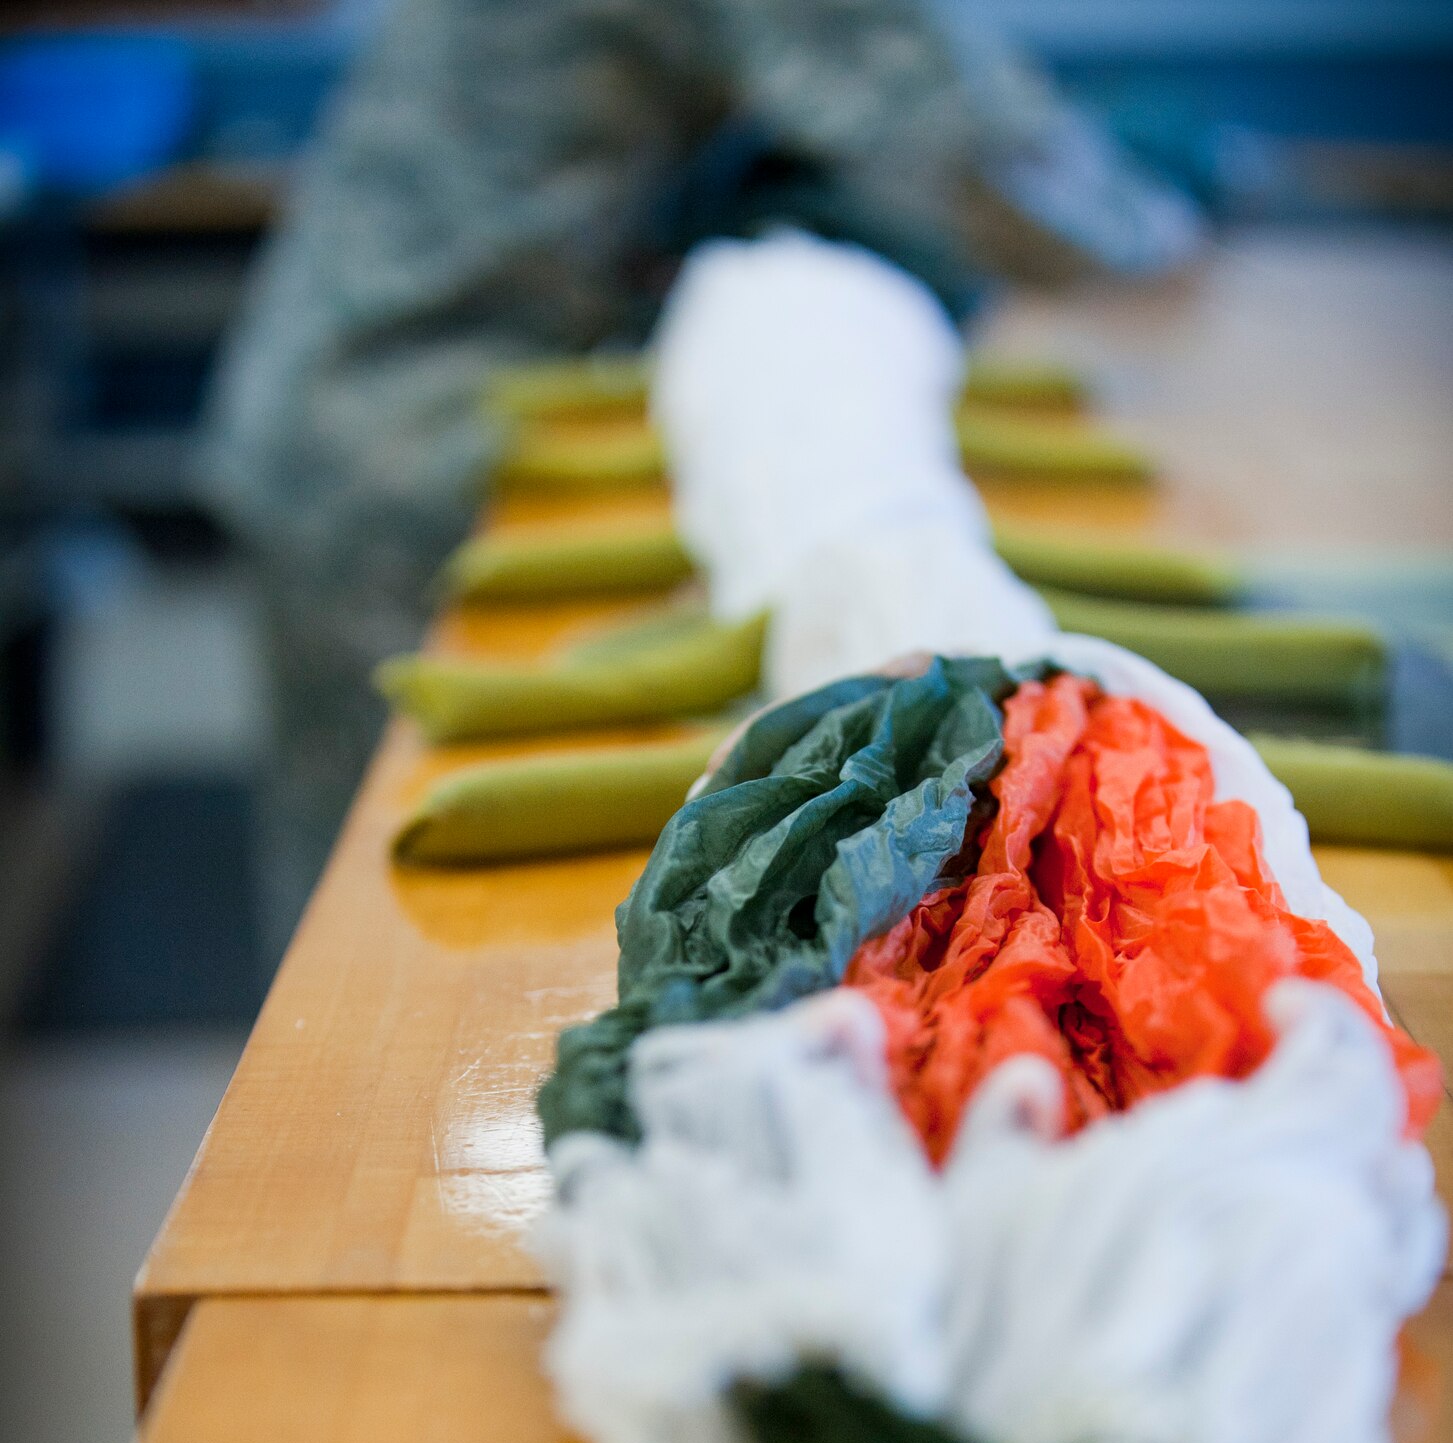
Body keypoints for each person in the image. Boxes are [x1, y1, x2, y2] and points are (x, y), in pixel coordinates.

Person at [203, 0, 1200, 936]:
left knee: (379, 917)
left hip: (393, 389)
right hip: (400, 428)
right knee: (380, 929)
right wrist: (1151, 219)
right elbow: (958, 137)